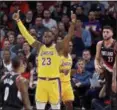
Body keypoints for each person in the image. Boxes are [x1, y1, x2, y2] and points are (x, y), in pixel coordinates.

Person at [12, 10, 76, 110]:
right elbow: (26, 35)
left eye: (49, 36)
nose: (46, 38)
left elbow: (69, 36)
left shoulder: (57, 47)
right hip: (41, 82)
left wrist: (73, 22)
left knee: (56, 107)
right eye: (44, 36)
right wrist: (18, 21)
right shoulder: (39, 46)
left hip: (54, 82)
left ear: (53, 38)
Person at [95, 25, 117, 110]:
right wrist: (96, 65)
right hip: (108, 71)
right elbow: (96, 59)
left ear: (112, 33)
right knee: (109, 96)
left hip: (115, 71)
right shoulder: (100, 44)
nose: (105, 34)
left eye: (107, 32)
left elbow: (115, 65)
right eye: (104, 32)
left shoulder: (115, 44)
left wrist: (114, 81)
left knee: (114, 95)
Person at [60, 41, 74, 110]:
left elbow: (68, 71)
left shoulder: (70, 57)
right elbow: (52, 70)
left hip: (67, 83)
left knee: (69, 104)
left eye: (71, 46)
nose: (70, 47)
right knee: (56, 104)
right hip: (58, 82)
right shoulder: (59, 56)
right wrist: (62, 70)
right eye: (69, 45)